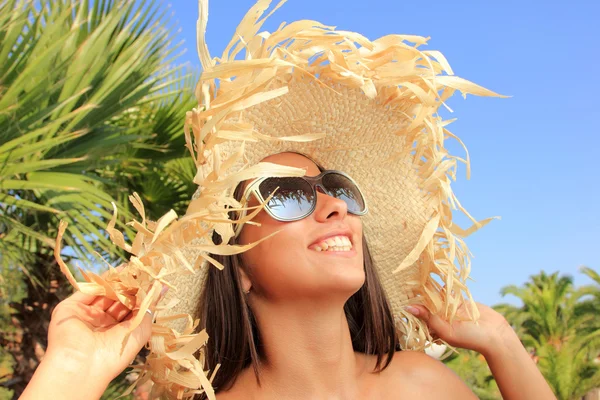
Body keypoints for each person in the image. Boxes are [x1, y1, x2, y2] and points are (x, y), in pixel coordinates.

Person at [22, 0, 557, 399]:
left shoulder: (425, 385)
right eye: (285, 196)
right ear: (237, 264)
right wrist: (70, 370)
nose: (335, 207)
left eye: (339, 190)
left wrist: (502, 343)